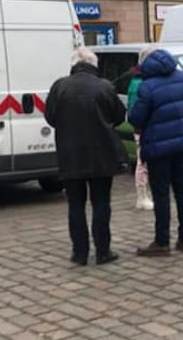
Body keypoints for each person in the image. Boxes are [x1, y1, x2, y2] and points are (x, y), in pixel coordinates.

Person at [44, 47, 127, 266]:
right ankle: (103, 251)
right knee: (101, 203)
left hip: (70, 154)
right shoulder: (105, 86)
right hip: (102, 154)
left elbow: (50, 117)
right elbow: (119, 115)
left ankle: (79, 253)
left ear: (73, 65)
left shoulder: (59, 86)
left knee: (75, 205)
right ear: (94, 64)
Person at [128, 47, 183, 257]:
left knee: (161, 194)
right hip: (182, 141)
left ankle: (162, 241)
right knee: (182, 189)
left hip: (158, 146)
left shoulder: (147, 86)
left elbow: (136, 118)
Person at [125, 51, 154, 211]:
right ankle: (142, 196)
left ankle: (146, 194)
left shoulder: (143, 79)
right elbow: (135, 112)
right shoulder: (138, 83)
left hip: (150, 127)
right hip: (143, 129)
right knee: (143, 163)